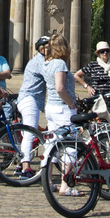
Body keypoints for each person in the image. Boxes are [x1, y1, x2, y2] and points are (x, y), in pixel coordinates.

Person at [41, 34, 82, 196]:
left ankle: (48, 182)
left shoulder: (47, 63)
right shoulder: (59, 64)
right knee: (71, 147)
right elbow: (60, 88)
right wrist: (71, 103)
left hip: (50, 107)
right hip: (62, 109)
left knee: (52, 145)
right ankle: (65, 185)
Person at [15, 35, 52, 172]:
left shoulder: (37, 60)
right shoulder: (40, 62)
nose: (49, 49)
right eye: (46, 47)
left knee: (26, 134)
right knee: (30, 133)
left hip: (28, 99)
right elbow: (51, 77)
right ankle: (26, 167)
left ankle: (20, 165)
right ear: (40, 49)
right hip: (30, 99)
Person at [81, 40, 110, 116]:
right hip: (98, 101)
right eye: (102, 51)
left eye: (107, 51)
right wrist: (87, 86)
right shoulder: (93, 65)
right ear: (98, 54)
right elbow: (76, 75)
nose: (105, 53)